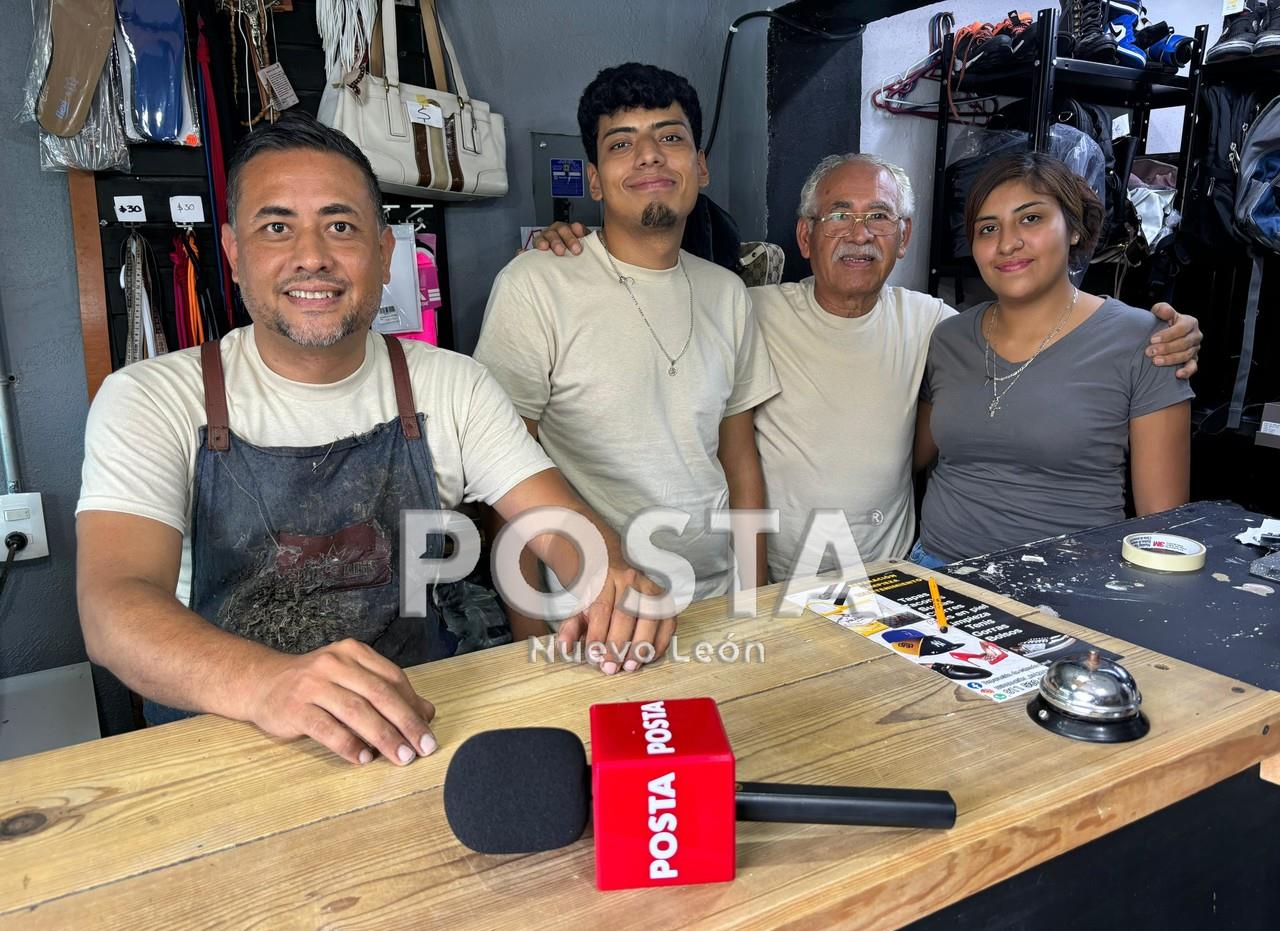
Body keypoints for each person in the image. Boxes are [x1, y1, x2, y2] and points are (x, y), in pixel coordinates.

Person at [76, 112, 672, 768]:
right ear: (235, 254)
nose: (313, 256)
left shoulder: (453, 386)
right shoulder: (150, 398)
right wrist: (268, 683)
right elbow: (115, 604)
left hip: (413, 729)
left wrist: (609, 575)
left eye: (341, 226)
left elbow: (561, 525)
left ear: (385, 254)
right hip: (221, 747)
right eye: (277, 227)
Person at [533, 154, 1202, 579]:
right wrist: (579, 247)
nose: (859, 233)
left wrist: (1174, 334)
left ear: (905, 237)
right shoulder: (745, 311)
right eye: (838, 216)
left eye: (880, 216)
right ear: (804, 236)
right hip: (786, 576)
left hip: (899, 577)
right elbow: (651, 301)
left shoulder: (936, 325)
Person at [474, 63, 779, 641]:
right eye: (622, 143)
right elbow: (505, 472)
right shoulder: (537, 285)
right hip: (592, 612)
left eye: (670, 137)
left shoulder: (728, 293)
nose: (649, 156)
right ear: (594, 179)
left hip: (716, 600)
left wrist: (753, 601)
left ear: (701, 166)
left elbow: (739, 460)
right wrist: (529, 633)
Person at [912, 151, 1193, 566]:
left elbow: (1163, 525)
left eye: (1031, 219)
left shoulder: (1146, 341)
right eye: (988, 228)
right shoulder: (948, 337)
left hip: (1068, 587)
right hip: (936, 573)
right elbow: (907, 459)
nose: (1007, 243)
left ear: (1074, 229)